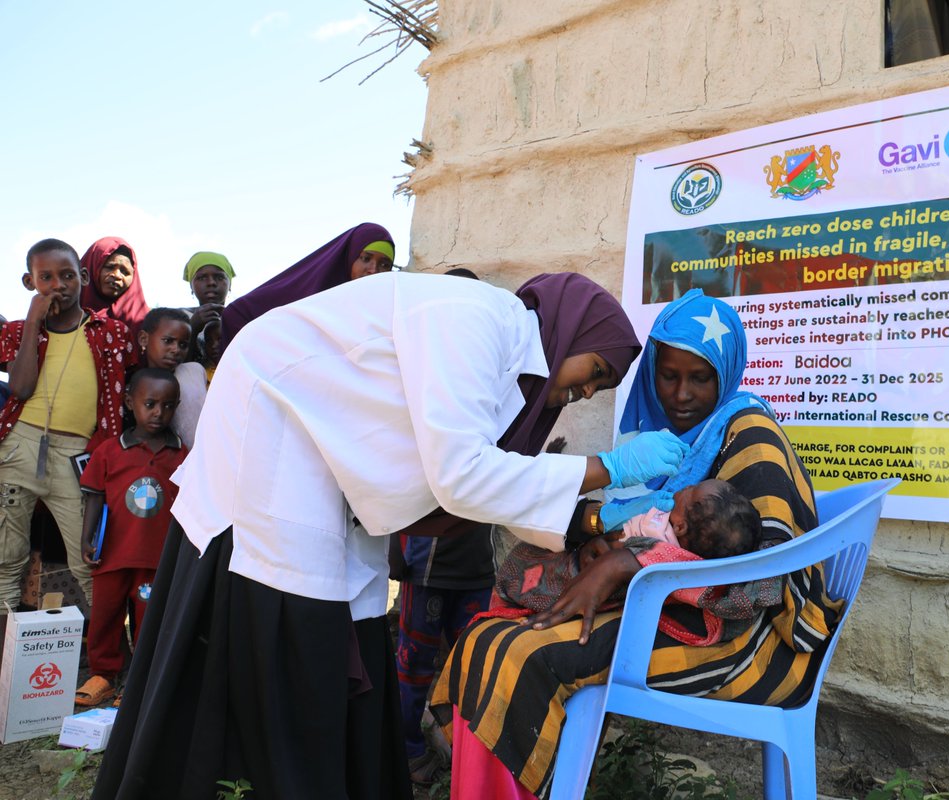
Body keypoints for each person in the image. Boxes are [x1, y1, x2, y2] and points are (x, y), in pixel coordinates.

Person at [91, 271, 689, 800]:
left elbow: (486, 483)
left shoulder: (510, 361)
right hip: (273, 416)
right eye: (596, 372)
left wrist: (591, 516)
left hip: (330, 451)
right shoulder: (475, 321)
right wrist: (609, 468)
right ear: (573, 332)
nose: (588, 391)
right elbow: (463, 477)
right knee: (292, 599)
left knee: (351, 606)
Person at [431, 289, 837, 800]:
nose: (682, 394)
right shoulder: (683, 449)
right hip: (673, 615)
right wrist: (608, 543)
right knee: (489, 632)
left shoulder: (748, 431)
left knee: (517, 653)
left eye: (701, 377)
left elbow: (764, 577)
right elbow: (634, 524)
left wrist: (631, 560)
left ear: (727, 373)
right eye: (668, 376)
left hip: (746, 644)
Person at [391, 265, 494, 786]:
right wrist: (394, 549)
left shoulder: (491, 383)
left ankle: (466, 760)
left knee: (472, 663)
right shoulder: (423, 381)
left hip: (476, 563)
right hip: (425, 560)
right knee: (413, 663)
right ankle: (406, 751)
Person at [0, 239, 135, 615]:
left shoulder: (108, 332)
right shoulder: (16, 332)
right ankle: (5, 667)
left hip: (77, 455)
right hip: (19, 446)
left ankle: (108, 662)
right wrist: (32, 322)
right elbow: (22, 387)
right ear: (30, 282)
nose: (57, 285)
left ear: (84, 277)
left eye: (68, 276)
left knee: (88, 560)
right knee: (6, 560)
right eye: (46, 277)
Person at [76, 368, 187, 707]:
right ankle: (103, 676)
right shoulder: (110, 451)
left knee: (148, 621)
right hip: (112, 554)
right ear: (129, 402)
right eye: (150, 404)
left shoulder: (182, 454)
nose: (158, 413)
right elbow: (94, 496)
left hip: (155, 559)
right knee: (106, 616)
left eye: (167, 406)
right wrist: (87, 539)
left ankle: (140, 681)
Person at [492, 479, 762, 615]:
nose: (685, 486)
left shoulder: (658, 536)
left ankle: (512, 591)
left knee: (534, 569)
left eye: (690, 490)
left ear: (679, 526)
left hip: (582, 571)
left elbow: (622, 542)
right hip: (593, 552)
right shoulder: (681, 552)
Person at [219, 222, 394, 352]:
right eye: (366, 258)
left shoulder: (384, 312)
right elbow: (237, 314)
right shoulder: (313, 289)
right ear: (350, 256)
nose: (374, 270)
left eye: (385, 265)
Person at [134, 308, 207, 449]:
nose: (176, 350)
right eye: (168, 341)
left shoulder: (194, 372)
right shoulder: (138, 385)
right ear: (143, 339)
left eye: (183, 345)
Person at [80, 236, 150, 333]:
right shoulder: (62, 314)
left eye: (125, 272)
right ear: (91, 268)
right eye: (110, 267)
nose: (117, 275)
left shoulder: (146, 324)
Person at [182, 251, 235, 378]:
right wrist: (192, 328)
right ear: (191, 286)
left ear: (229, 285)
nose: (211, 282)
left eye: (219, 277)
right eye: (201, 278)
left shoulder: (241, 317)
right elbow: (176, 366)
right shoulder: (178, 318)